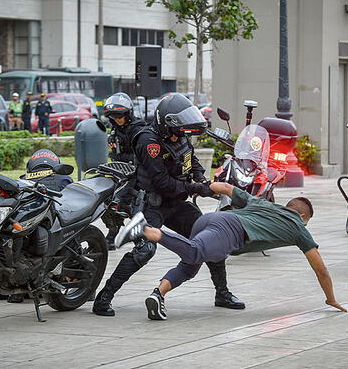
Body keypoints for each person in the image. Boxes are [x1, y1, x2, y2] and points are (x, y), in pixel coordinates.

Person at [92, 93, 244, 317]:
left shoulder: (180, 135)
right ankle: (104, 297)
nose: (182, 135)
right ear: (167, 124)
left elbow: (191, 162)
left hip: (176, 202)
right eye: (179, 131)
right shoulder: (148, 141)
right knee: (144, 251)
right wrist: (196, 189)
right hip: (149, 204)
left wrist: (201, 179)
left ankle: (222, 293)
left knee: (212, 239)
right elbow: (161, 182)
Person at [113, 182, 347, 320]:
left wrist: (203, 187)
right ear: (304, 217)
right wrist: (331, 298)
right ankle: (147, 230)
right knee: (194, 252)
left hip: (212, 219)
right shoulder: (299, 228)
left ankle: (158, 295)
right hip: (229, 232)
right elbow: (321, 269)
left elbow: (225, 187)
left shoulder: (263, 203)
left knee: (189, 268)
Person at [100, 93, 146, 249]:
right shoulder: (115, 129)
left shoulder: (138, 129)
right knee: (105, 199)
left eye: (120, 116)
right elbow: (115, 154)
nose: (117, 119)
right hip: (119, 171)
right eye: (114, 117)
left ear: (128, 114)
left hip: (138, 173)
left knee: (125, 200)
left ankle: (139, 236)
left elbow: (140, 155)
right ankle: (112, 233)